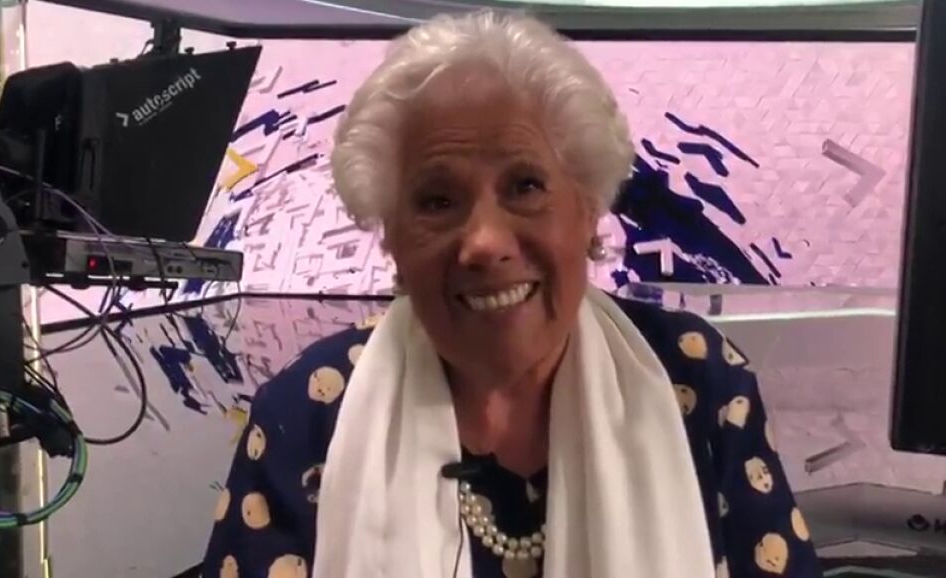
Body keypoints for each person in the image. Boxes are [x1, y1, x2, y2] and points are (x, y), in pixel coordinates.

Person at [201, 10, 821, 578]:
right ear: (391, 238)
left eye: (525, 186)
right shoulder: (306, 416)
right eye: (437, 200)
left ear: (588, 211)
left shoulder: (698, 383)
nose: (485, 242)